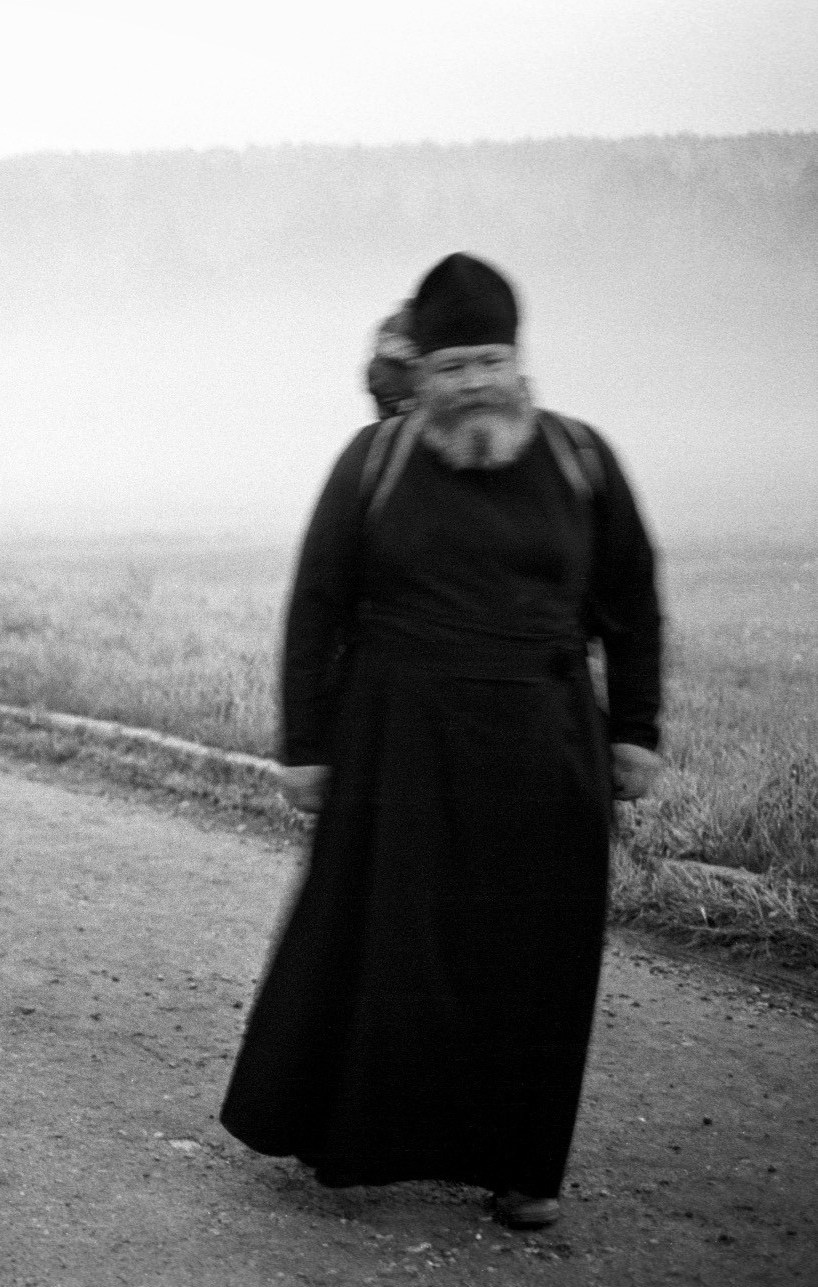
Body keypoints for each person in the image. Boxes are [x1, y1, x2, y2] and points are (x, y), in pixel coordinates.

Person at [219, 253, 664, 1230]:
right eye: (453, 363)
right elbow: (317, 606)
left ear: (519, 364)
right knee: (390, 951)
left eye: (489, 361)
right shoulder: (373, 464)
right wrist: (307, 745)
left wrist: (633, 731)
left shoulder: (580, 460)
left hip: (547, 752)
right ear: (420, 373)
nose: (473, 382)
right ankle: (360, 1144)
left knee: (536, 965)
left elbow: (630, 600)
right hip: (395, 747)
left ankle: (523, 1168)